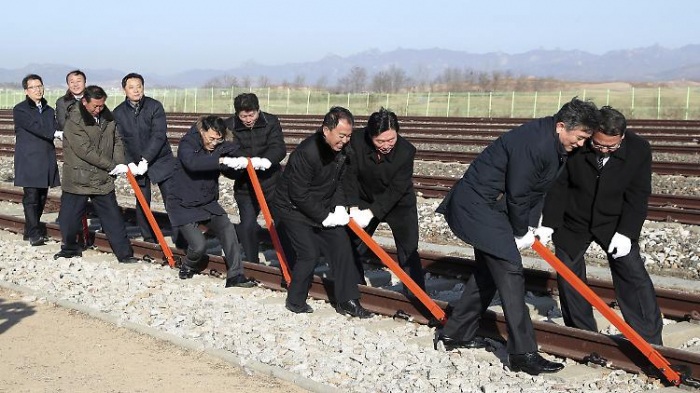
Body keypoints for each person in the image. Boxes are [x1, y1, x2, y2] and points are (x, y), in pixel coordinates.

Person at [435, 98, 601, 375]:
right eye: (580, 137)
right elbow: (519, 194)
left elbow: (537, 190)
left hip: (494, 207)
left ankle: (455, 332)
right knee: (511, 273)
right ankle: (523, 353)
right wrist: (520, 230)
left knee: (490, 272)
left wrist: (531, 226)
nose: (582, 144)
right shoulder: (535, 143)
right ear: (562, 126)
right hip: (479, 207)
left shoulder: (553, 140)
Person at [537, 106, 663, 345]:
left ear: (622, 137)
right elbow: (559, 185)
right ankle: (583, 334)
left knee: (633, 275)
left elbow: (638, 195)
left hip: (614, 222)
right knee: (569, 275)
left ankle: (650, 339)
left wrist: (626, 233)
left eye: (611, 147)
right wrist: (549, 224)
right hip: (573, 219)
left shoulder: (639, 149)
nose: (604, 150)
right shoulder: (578, 143)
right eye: (599, 145)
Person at [272, 107, 372, 318]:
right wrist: (325, 217)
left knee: (342, 244)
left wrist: (340, 207)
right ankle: (295, 301)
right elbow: (298, 194)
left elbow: (338, 182)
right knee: (309, 253)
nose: (345, 140)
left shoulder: (341, 150)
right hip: (291, 209)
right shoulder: (307, 152)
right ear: (326, 130)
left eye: (348, 136)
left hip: (320, 205)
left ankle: (347, 301)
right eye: (341, 135)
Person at [167, 115, 255, 288]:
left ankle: (235, 275)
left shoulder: (221, 143)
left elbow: (236, 150)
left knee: (227, 228)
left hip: (207, 201)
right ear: (202, 132)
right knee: (199, 246)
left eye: (218, 139)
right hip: (182, 202)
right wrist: (220, 160)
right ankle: (188, 265)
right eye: (211, 138)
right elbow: (193, 163)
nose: (214, 143)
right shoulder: (188, 143)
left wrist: (243, 161)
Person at [344, 107, 425, 291]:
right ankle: (355, 287)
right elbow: (350, 175)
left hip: (399, 204)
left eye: (391, 139)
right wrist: (354, 206)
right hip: (365, 197)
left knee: (408, 250)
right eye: (380, 141)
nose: (387, 145)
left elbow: (397, 189)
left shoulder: (406, 151)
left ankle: (416, 295)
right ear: (370, 136)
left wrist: (372, 212)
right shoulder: (356, 141)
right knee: (352, 243)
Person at [54, 85, 138, 263]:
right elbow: (85, 150)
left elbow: (117, 140)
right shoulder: (74, 121)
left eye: (101, 106)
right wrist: (111, 165)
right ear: (84, 102)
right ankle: (70, 248)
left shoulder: (108, 116)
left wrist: (120, 162)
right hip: (79, 178)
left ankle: (124, 254)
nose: (98, 109)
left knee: (113, 218)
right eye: (95, 106)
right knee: (69, 219)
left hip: (102, 178)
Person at [113, 72, 176, 243]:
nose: (136, 90)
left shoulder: (155, 106)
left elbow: (158, 135)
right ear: (124, 90)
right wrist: (128, 163)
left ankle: (180, 236)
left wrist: (146, 159)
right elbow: (119, 141)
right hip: (134, 162)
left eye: (139, 86)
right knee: (142, 200)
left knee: (172, 199)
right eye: (131, 87)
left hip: (160, 160)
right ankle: (148, 237)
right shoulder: (118, 112)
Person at [223, 93, 285, 263]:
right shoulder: (229, 126)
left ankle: (287, 262)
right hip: (245, 187)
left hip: (273, 183)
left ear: (258, 110)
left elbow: (278, 147)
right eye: (243, 116)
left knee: (282, 224)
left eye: (252, 115)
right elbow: (229, 153)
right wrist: (241, 165)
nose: (248, 119)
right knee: (247, 227)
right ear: (237, 114)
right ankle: (252, 263)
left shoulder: (271, 121)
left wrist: (265, 161)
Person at [13, 74, 61, 246]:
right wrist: (54, 133)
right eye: (33, 87)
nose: (37, 90)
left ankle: (29, 230)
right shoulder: (20, 109)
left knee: (41, 197)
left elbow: (55, 126)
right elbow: (35, 127)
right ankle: (34, 233)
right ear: (26, 90)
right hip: (29, 159)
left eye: (39, 86)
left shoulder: (49, 110)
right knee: (31, 197)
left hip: (46, 158)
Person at [55, 70, 86, 134]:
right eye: (72, 82)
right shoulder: (62, 102)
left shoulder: (93, 100)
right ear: (68, 84)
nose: (75, 84)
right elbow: (62, 123)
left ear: (85, 82)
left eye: (78, 81)